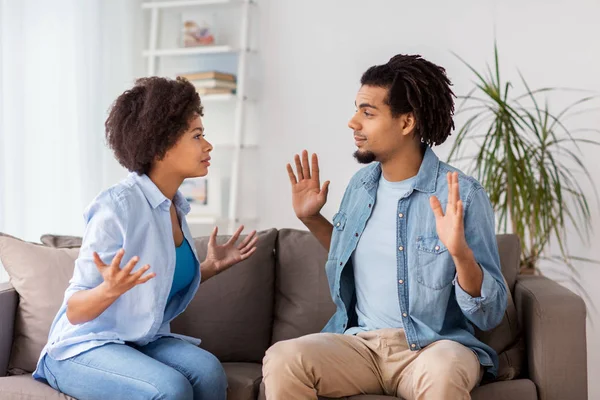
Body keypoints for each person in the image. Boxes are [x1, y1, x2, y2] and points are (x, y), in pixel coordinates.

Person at [263, 54, 508, 400]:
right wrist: (311, 219)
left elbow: (491, 312)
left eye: (367, 112)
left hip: (433, 348)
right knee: (284, 359)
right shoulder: (360, 186)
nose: (353, 122)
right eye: (356, 109)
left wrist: (460, 253)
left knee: (443, 372)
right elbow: (350, 252)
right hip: (361, 347)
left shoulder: (461, 194)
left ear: (406, 122)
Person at [33, 76, 258, 400]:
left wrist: (209, 267)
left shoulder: (173, 206)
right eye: (197, 136)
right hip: (81, 347)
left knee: (209, 372)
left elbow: (157, 279)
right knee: (170, 389)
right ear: (161, 145)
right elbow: (75, 310)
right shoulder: (117, 207)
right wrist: (109, 290)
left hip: (136, 338)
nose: (208, 146)